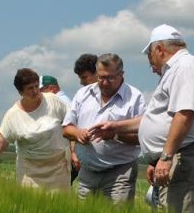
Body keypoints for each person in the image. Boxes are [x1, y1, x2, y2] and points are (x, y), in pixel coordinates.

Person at [89, 24, 194, 213]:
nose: (150, 65)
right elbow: (155, 118)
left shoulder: (185, 67)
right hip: (177, 157)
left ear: (159, 49)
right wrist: (115, 127)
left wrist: (165, 158)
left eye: (150, 55)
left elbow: (184, 114)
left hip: (186, 157)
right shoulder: (175, 70)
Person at [0, 68, 70, 191]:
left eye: (36, 86)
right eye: (30, 88)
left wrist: (74, 150)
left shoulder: (53, 101)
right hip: (29, 172)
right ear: (20, 91)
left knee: (58, 207)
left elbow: (72, 122)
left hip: (58, 168)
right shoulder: (13, 115)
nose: (35, 91)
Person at [62, 53, 145, 203]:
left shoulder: (134, 97)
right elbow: (66, 129)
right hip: (87, 173)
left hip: (120, 172)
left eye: (110, 78)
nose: (105, 82)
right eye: (101, 77)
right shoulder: (83, 94)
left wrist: (115, 135)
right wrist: (78, 133)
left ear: (121, 75)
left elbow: (143, 137)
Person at [70, 55, 99, 184]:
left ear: (97, 73)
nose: (81, 82)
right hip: (87, 167)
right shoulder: (81, 96)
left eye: (84, 77)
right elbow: (69, 127)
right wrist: (73, 152)